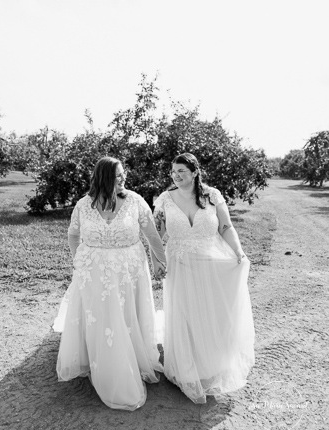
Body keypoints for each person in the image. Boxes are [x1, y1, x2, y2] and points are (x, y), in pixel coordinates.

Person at [53, 156, 167, 410]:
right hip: (93, 272)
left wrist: (161, 260)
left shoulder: (135, 201)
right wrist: (79, 261)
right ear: (104, 177)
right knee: (101, 317)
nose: (124, 178)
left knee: (125, 315)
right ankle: (100, 362)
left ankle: (130, 361)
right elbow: (73, 234)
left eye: (124, 173)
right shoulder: (84, 205)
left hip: (129, 270)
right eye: (118, 175)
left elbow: (151, 235)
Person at [153, 152, 255, 404]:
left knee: (209, 312)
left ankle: (210, 364)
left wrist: (238, 252)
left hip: (210, 261)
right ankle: (187, 369)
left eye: (181, 172)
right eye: (173, 172)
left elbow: (225, 227)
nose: (176, 176)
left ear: (195, 172)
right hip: (178, 263)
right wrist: (156, 259)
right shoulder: (165, 199)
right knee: (184, 313)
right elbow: (158, 234)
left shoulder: (212, 195)